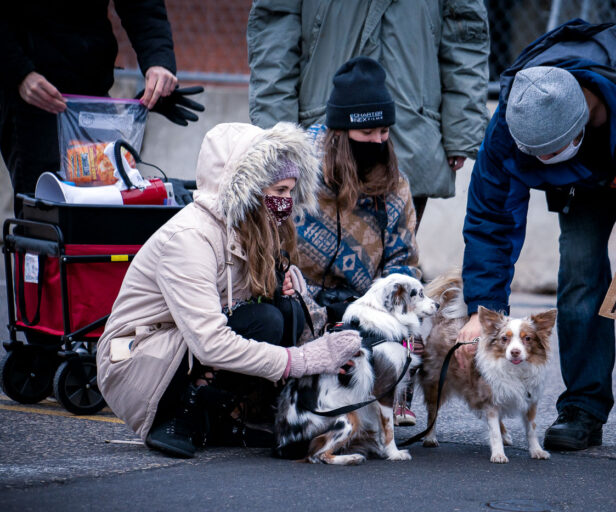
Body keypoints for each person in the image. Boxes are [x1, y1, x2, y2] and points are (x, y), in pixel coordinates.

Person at [455, 19, 616, 454]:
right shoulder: (509, 122)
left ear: (579, 125)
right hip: (586, 180)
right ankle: (582, 408)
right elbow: (490, 217)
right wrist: (483, 314)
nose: (540, 165)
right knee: (579, 272)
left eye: (548, 157)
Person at [95, 122, 362, 459]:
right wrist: (302, 360)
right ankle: (185, 414)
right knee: (261, 320)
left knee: (277, 312)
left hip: (179, 345)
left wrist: (288, 282)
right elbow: (210, 342)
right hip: (134, 358)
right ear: (249, 187)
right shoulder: (191, 237)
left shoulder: (250, 228)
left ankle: (224, 412)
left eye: (291, 192)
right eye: (279, 191)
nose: (286, 202)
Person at [246, 0, 490, 225]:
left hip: (412, 130)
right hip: (320, 134)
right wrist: (278, 136)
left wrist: (461, 127)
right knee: (307, 264)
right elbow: (274, 32)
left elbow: (464, 33)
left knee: (394, 259)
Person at [293, 57, 422, 426]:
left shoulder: (395, 186)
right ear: (340, 132)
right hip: (302, 295)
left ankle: (392, 396)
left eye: (384, 133)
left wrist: (393, 307)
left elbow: (403, 257)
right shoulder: (299, 169)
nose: (378, 141)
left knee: (412, 309)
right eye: (367, 134)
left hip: (364, 303)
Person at [0, 1, 192, 213]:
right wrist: (19, 72)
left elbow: (142, 5)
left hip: (91, 88)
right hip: (32, 95)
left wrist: (158, 60)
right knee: (44, 215)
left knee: (109, 201)